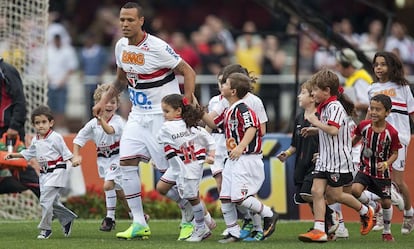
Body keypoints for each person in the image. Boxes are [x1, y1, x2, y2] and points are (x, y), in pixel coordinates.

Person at [92, 2, 196, 240]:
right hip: (137, 116)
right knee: (126, 163)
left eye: (130, 20)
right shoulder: (120, 46)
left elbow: (188, 71)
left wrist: (186, 105)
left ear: (141, 21)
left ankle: (192, 216)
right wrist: (104, 100)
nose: (125, 24)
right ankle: (139, 222)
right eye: (122, 20)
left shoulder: (157, 47)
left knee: (168, 177)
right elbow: (120, 81)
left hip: (162, 118)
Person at [298, 69, 374, 243]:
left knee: (335, 196)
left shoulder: (335, 107)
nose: (313, 93)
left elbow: (333, 130)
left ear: (326, 91)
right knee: (316, 191)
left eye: (315, 90)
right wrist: (314, 130)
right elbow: (329, 129)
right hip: (325, 159)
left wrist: (315, 122)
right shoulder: (325, 107)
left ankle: (365, 211)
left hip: (338, 160)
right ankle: (319, 230)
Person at [202, 72, 278, 243]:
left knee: (240, 197)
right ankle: (233, 231)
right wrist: (196, 110)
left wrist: (241, 146)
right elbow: (213, 123)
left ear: (234, 91)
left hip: (246, 158)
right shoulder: (229, 108)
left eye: (225, 83)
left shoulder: (243, 108)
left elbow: (252, 127)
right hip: (234, 159)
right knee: (226, 196)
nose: (222, 86)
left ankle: (269, 214)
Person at [277, 80, 339, 238]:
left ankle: (332, 215)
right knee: (307, 198)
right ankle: (325, 226)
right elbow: (295, 144)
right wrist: (287, 154)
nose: (299, 96)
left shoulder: (321, 116)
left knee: (309, 193)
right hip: (301, 164)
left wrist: (322, 153)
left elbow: (330, 136)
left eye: (303, 93)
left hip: (317, 163)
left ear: (313, 97)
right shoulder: (298, 118)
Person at [4, 105, 77, 239]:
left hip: (57, 171)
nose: (40, 125)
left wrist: (73, 160)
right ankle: (67, 218)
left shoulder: (56, 137)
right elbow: (29, 153)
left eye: (43, 122)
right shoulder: (35, 140)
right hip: (44, 174)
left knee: (44, 200)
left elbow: (65, 152)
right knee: (52, 202)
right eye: (37, 123)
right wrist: (14, 155)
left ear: (51, 123)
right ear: (33, 125)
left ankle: (45, 229)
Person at [157, 93, 215, 242]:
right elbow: (163, 144)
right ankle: (189, 208)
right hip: (178, 164)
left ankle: (201, 228)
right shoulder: (172, 126)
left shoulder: (188, 126)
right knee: (162, 187)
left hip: (191, 166)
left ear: (178, 111)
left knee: (193, 196)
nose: (163, 115)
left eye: (166, 111)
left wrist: (211, 156)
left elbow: (209, 140)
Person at [72, 83, 131, 232]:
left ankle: (109, 218)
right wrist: (76, 155)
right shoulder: (92, 124)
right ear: (98, 103)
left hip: (118, 158)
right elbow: (78, 139)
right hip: (103, 160)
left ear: (118, 105)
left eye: (113, 102)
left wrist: (100, 119)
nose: (110, 105)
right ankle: (136, 214)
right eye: (106, 101)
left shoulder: (118, 122)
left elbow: (110, 131)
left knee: (107, 185)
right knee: (119, 191)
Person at [368, 51, 414, 235]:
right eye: (376, 64)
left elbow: (412, 112)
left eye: (383, 64)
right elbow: (370, 114)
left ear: (391, 66)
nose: (379, 68)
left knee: (398, 181)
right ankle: (382, 214)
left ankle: (409, 213)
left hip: (399, 139)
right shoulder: (372, 88)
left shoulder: (402, 87)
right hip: (378, 140)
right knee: (378, 179)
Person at [352, 94, 401, 242]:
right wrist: (348, 146)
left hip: (382, 174)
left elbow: (395, 153)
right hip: (365, 168)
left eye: (378, 109)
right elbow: (355, 138)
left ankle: (386, 231)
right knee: (354, 190)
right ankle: (374, 207)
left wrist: (387, 163)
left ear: (387, 112)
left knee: (387, 202)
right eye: (371, 108)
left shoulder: (391, 133)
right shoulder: (364, 126)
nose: (373, 112)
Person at [0, 57, 40, 198]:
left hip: (9, 132)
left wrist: (14, 126)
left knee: (19, 168)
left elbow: (20, 101)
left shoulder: (6, 71)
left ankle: (52, 203)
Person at [47, 33, 78, 133]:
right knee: (51, 108)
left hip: (62, 84)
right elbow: (44, 66)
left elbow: (72, 67)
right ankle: (53, 128)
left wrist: (63, 80)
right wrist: (49, 77)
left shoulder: (67, 50)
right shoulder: (48, 50)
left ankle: (61, 128)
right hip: (50, 83)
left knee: (61, 108)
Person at [336, 48, 373, 122]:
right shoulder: (352, 78)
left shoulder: (359, 80)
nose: (337, 68)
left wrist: (346, 106)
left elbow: (368, 103)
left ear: (346, 65)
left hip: (361, 123)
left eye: (338, 65)